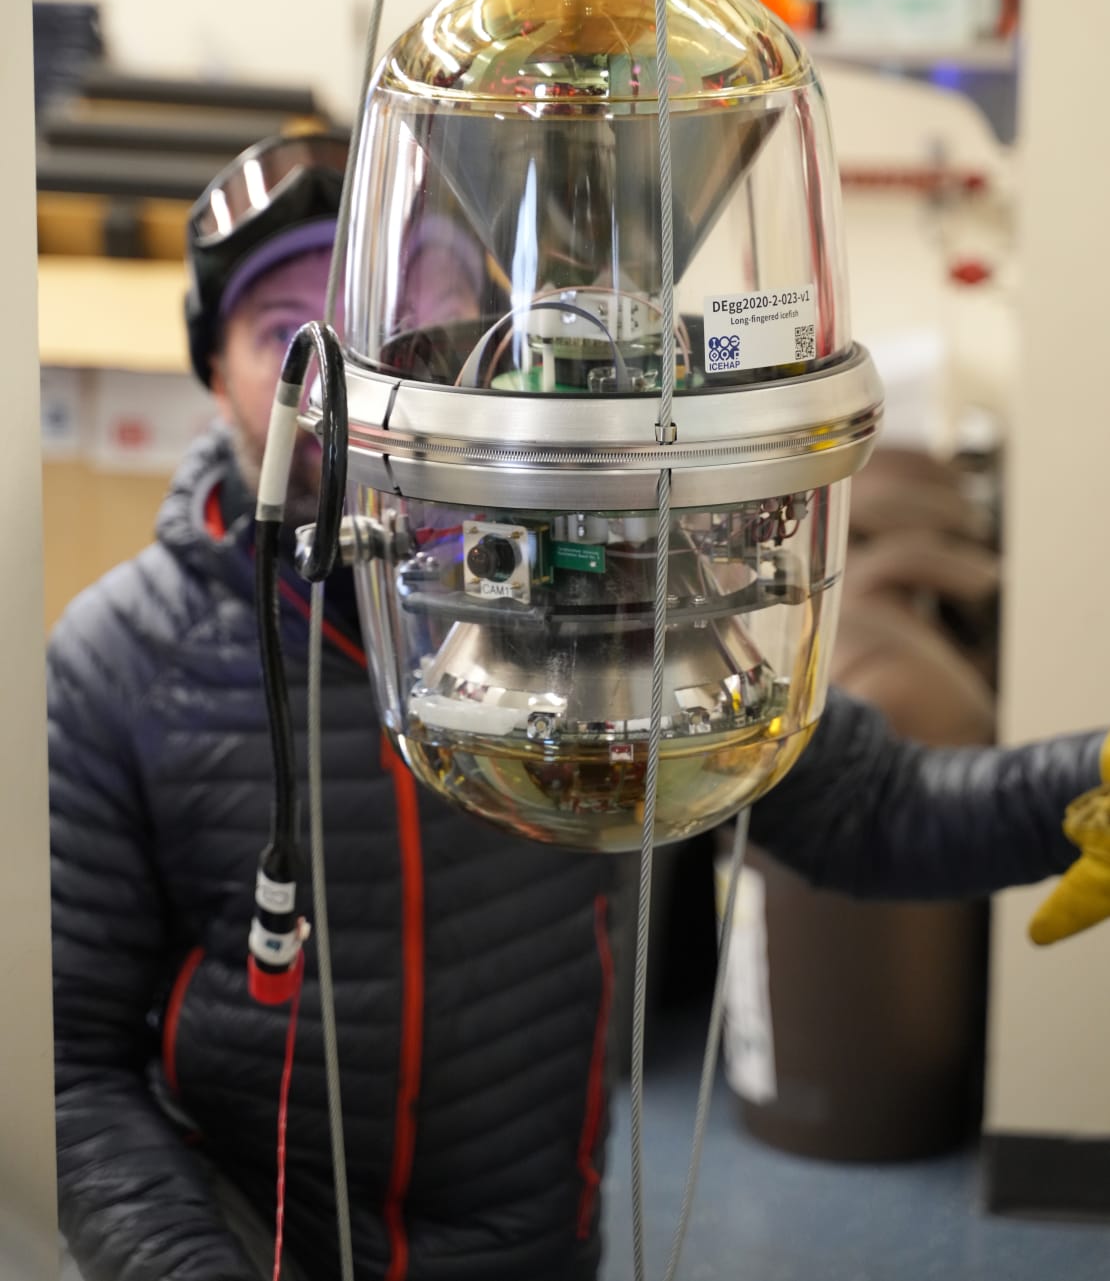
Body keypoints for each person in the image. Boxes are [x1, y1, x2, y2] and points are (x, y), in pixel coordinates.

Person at [48, 130, 1110, 1281]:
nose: (351, 377)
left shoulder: (604, 587)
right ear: (214, 381)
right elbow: (72, 1072)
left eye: (406, 305)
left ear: (488, 339)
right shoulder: (117, 665)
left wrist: (1086, 786)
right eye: (281, 337)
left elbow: (874, 809)